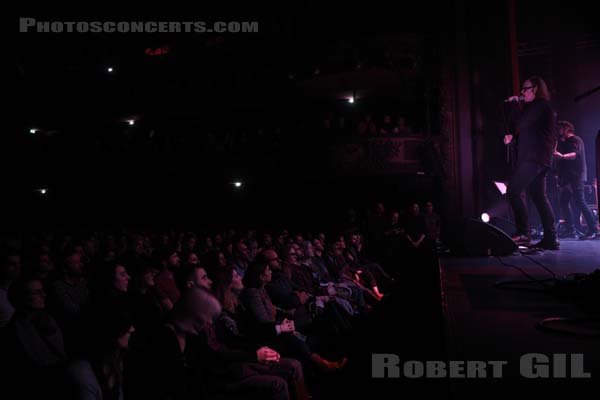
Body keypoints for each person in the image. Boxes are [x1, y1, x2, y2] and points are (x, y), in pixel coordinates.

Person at [504, 76, 559, 249]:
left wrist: (514, 104)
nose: (522, 92)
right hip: (538, 158)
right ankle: (551, 239)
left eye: (525, 88)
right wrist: (512, 138)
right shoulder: (535, 108)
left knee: (513, 190)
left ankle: (523, 233)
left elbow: (521, 122)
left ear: (535, 89)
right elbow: (527, 129)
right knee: (538, 196)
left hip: (535, 158)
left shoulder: (540, 106)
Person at [554, 120, 598, 239]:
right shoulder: (565, 142)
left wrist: (562, 156)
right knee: (564, 201)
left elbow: (575, 154)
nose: (559, 131)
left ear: (567, 128)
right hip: (567, 177)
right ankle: (570, 230)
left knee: (580, 201)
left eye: (560, 128)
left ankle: (593, 229)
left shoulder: (575, 140)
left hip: (576, 176)